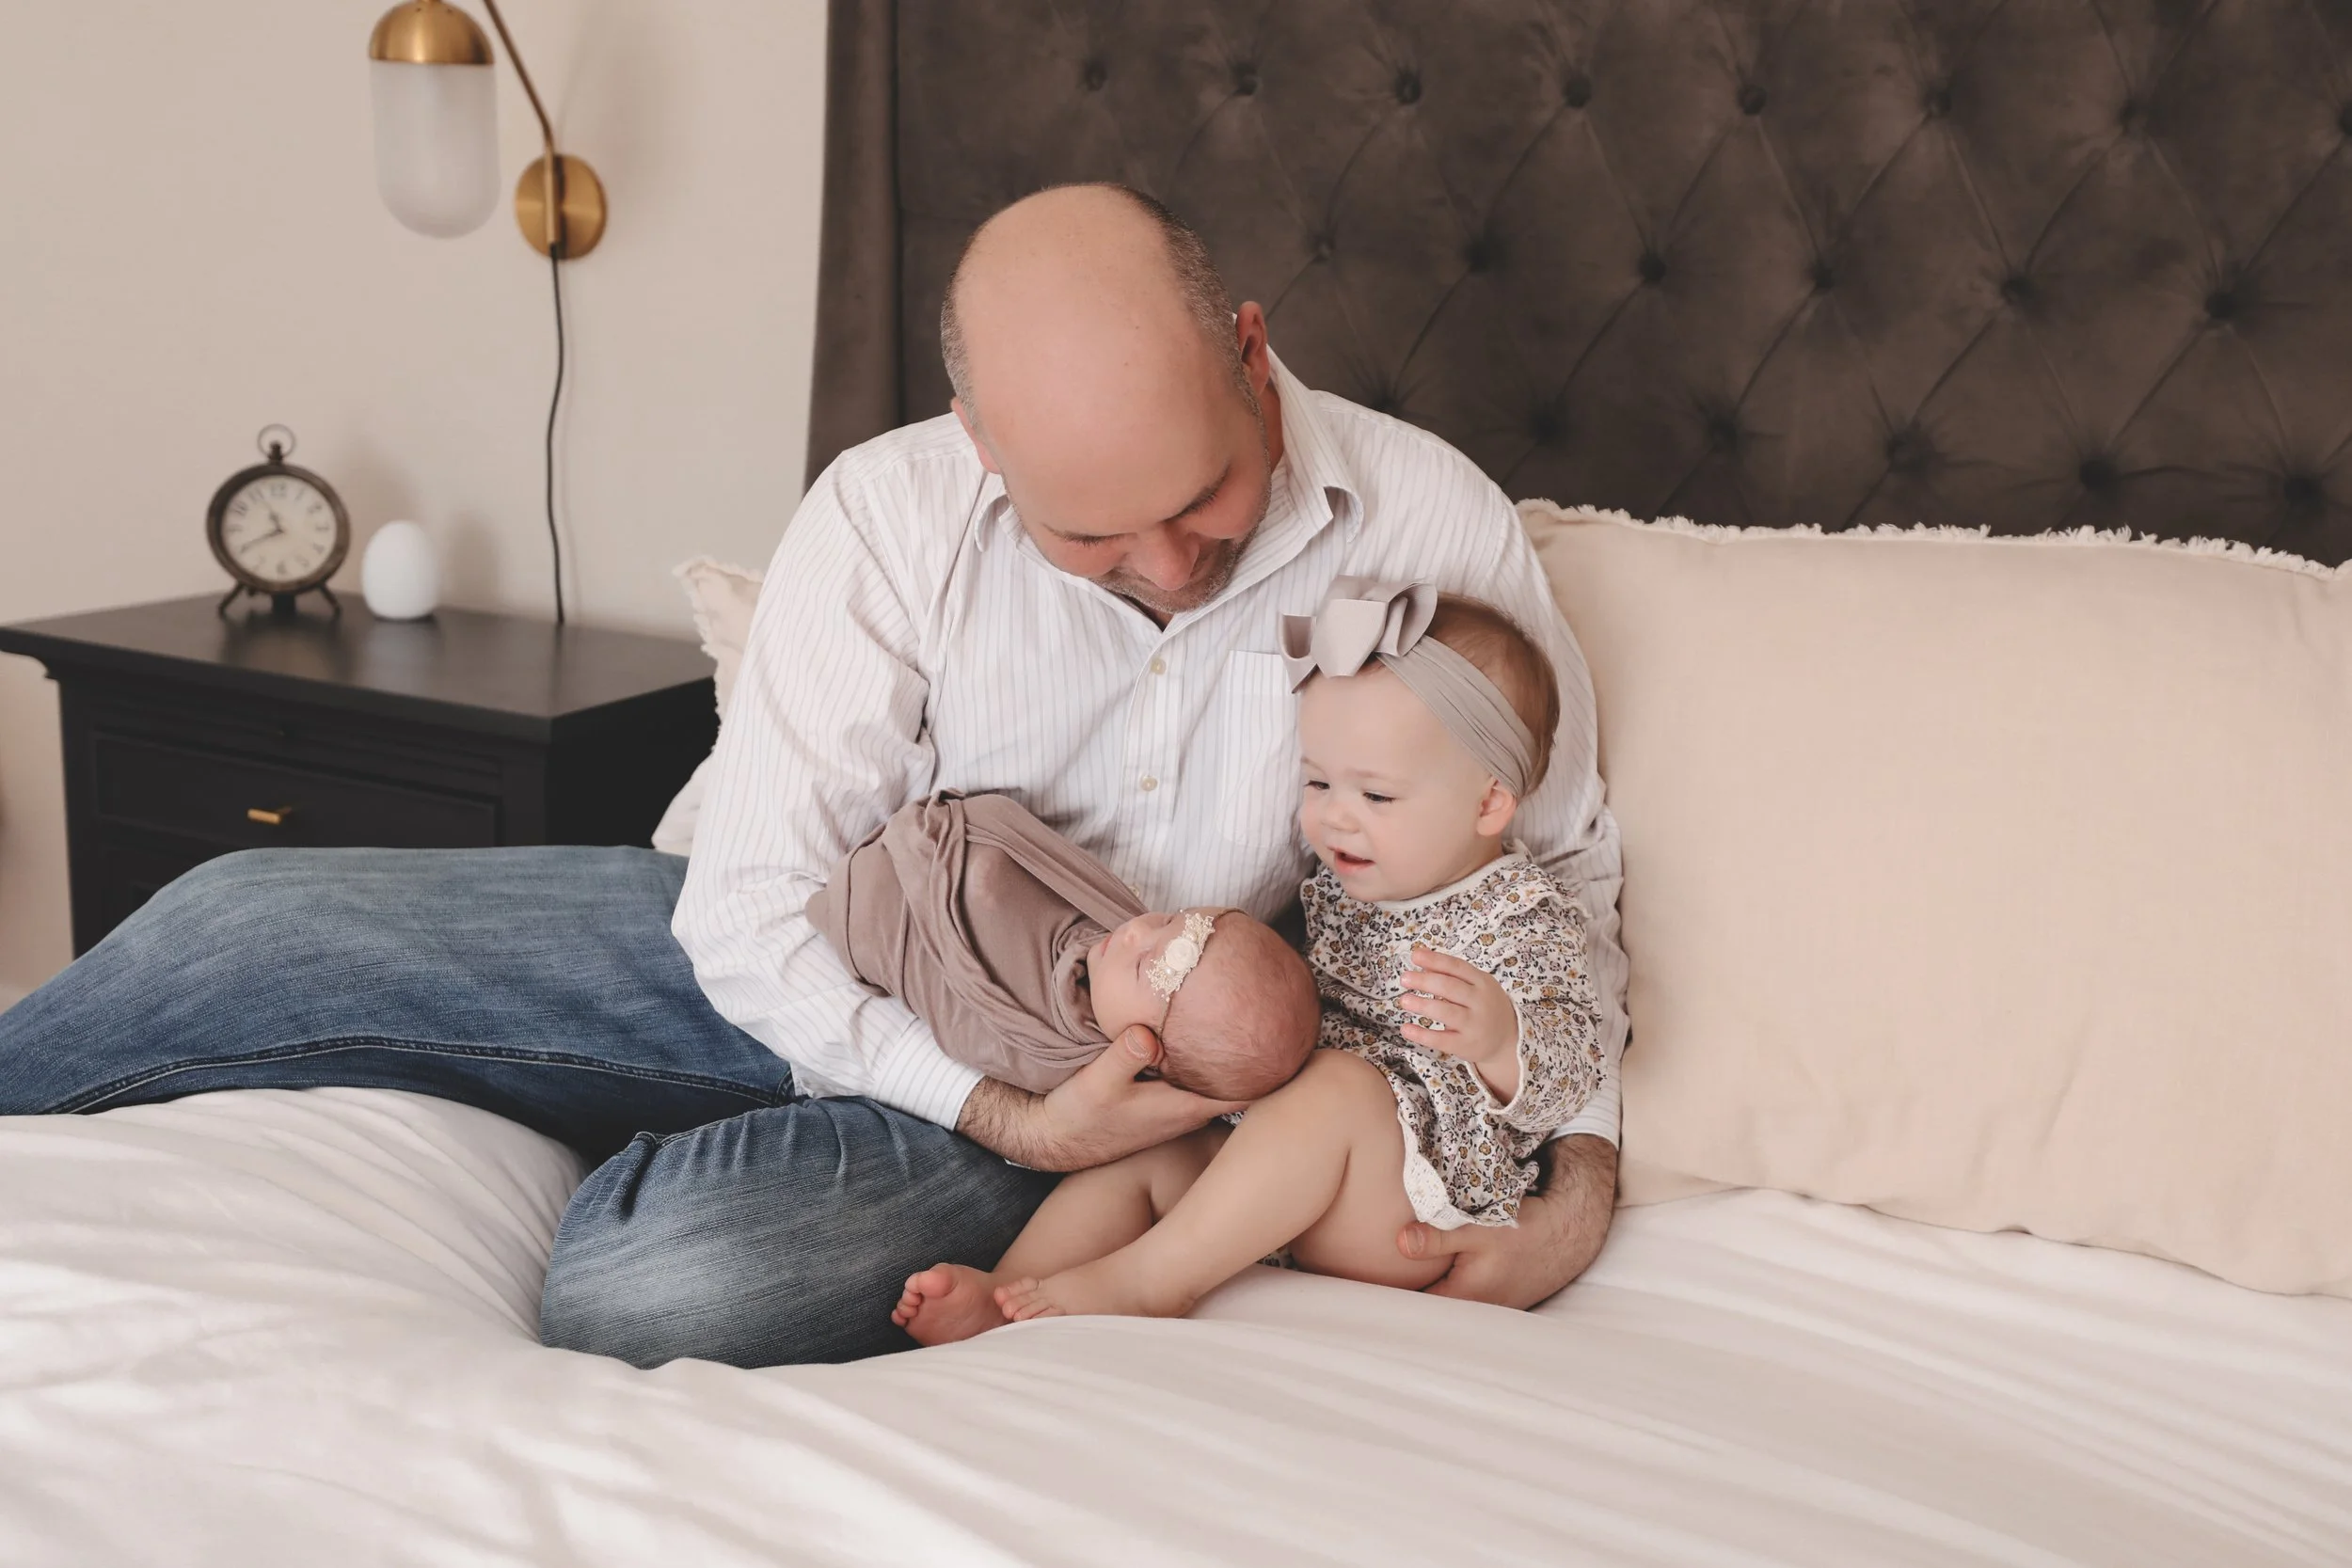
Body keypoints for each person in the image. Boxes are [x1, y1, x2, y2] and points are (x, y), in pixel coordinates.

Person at [0, 182, 1627, 1367]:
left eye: (1201, 504)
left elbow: (1567, 879)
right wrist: (992, 1103)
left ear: (1253, 354)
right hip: (801, 966)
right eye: (1090, 537)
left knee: (650, 1292)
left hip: (1105, 1078)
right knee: (241, 923)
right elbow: (754, 912)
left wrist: (1579, 1189)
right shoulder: (888, 514)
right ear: (981, 443)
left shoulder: (1429, 521)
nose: (1166, 571)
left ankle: (637, 1137)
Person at [893, 585, 1605, 1343]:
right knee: (1152, 1150)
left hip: (1407, 1203)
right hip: (1291, 1182)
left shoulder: (1522, 912)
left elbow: (1575, 1068)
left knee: (1339, 1086)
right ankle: (1006, 1295)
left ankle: (1149, 1280)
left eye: (1376, 793)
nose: (1334, 814)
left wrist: (1503, 1041)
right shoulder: (1338, 890)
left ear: (1490, 804)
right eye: (1319, 781)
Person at [807, 790, 1317, 1100]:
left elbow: (965, 1017)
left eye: (1144, 965)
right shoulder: (1110, 939)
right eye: (1169, 919)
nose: (1136, 931)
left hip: (871, 918)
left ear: (1150, 1054)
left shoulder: (1051, 1055)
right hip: (919, 850)